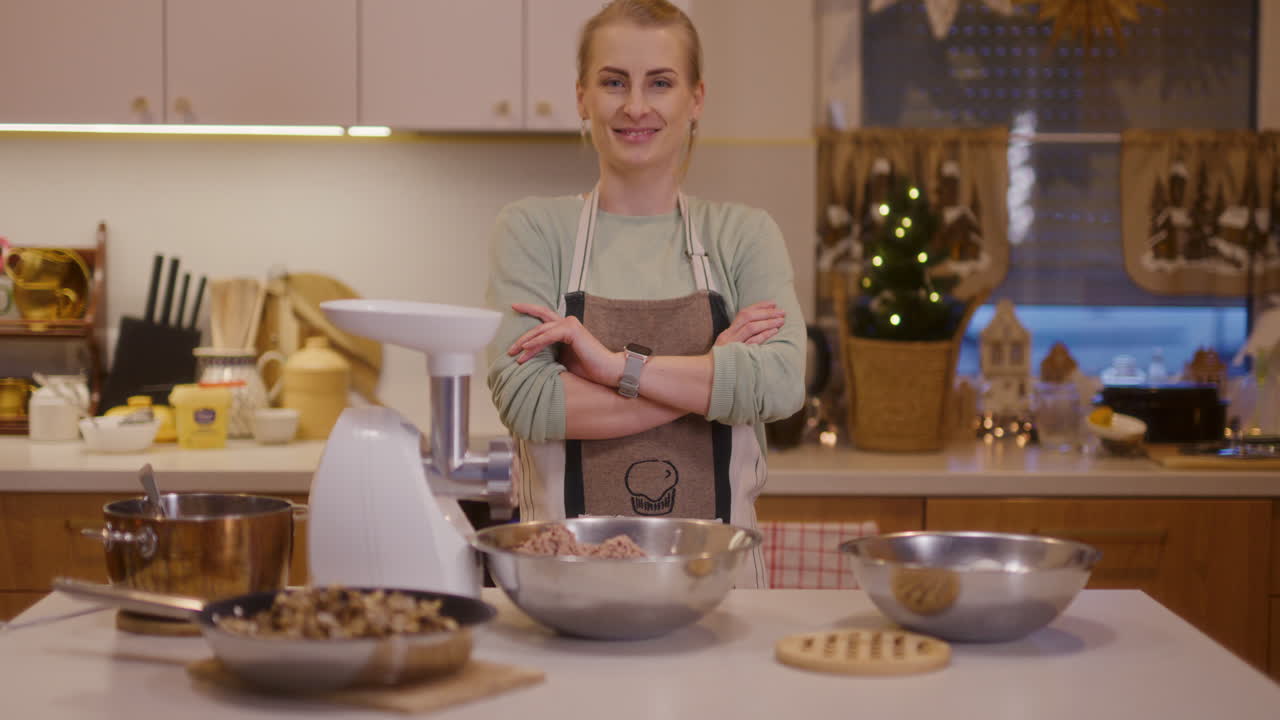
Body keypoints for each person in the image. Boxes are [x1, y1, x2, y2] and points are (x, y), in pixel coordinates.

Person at [484, 0, 805, 588]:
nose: (635, 106)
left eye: (660, 82)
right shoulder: (534, 232)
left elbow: (781, 384)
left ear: (696, 99)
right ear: (582, 98)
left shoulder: (742, 235)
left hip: (723, 595)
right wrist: (714, 375)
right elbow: (528, 402)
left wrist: (612, 368)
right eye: (614, 82)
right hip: (565, 593)